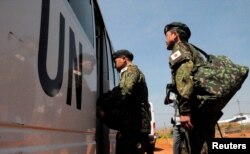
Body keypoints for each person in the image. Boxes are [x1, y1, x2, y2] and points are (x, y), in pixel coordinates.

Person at [164, 22, 222, 154]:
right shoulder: (193, 50)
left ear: (175, 35)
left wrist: (185, 111)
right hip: (204, 110)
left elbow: (184, 78)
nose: (165, 40)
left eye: (167, 35)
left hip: (195, 112)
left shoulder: (180, 49)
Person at [97, 49, 151, 154]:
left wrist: (103, 100)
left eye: (115, 61)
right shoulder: (131, 72)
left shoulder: (130, 71)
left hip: (136, 124)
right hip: (135, 123)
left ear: (124, 59)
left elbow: (124, 91)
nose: (114, 64)